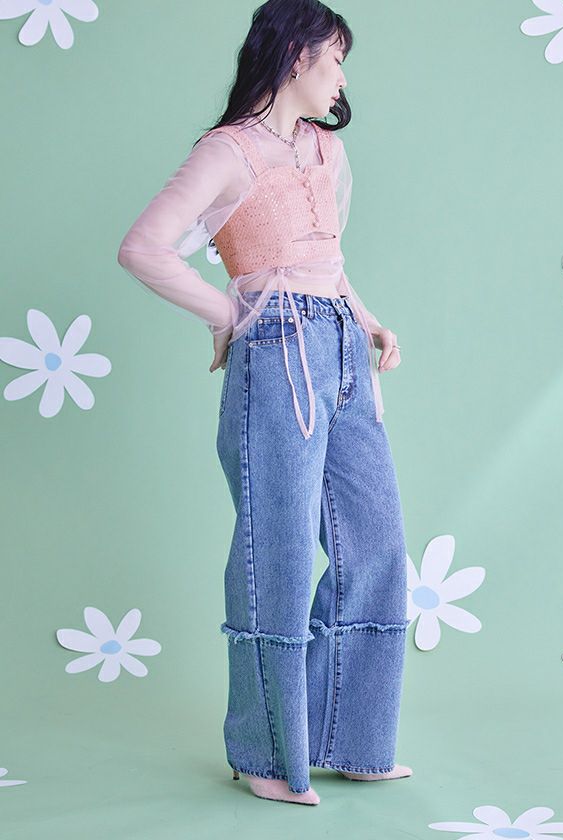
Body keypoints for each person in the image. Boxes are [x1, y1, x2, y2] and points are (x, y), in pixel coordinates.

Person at [117, 0, 411, 806]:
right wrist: (231, 314)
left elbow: (327, 262)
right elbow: (143, 247)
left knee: (376, 544)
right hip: (276, 353)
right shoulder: (227, 152)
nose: (342, 78)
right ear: (296, 56)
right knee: (275, 551)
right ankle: (266, 755)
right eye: (335, 59)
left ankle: (353, 739)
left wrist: (368, 321)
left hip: (342, 345)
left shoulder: (324, 148)